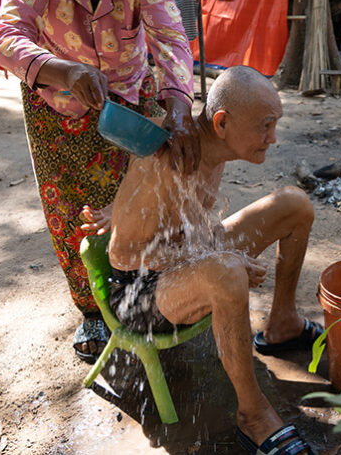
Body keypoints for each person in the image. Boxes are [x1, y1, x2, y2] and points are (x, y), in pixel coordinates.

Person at [0, 0, 199, 362]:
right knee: (72, 210)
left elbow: (170, 40)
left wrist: (179, 106)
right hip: (55, 105)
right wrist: (60, 70)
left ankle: (152, 291)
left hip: (130, 94)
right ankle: (92, 312)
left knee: (141, 195)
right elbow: (5, 36)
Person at [105, 66, 319, 454]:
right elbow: (124, 253)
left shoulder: (208, 146)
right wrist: (223, 255)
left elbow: (187, 227)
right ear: (221, 123)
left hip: (190, 258)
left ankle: (282, 325)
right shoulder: (167, 155)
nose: (272, 139)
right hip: (140, 293)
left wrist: (219, 252)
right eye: (265, 126)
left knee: (295, 204)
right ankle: (253, 414)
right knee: (226, 270)